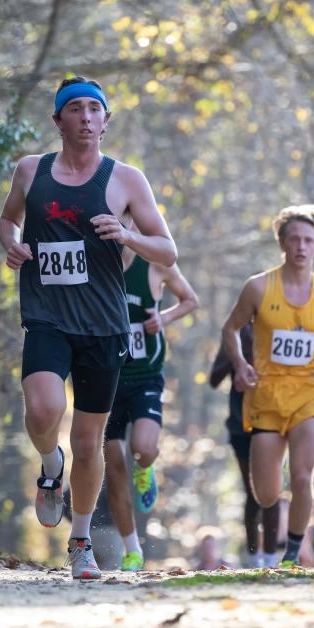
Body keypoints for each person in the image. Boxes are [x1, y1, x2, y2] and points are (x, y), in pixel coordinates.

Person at [0, 76, 176, 579]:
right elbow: (7, 220)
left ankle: (80, 543)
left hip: (104, 326)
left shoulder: (126, 180)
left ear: (105, 120)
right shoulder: (32, 171)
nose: (85, 117)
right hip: (47, 317)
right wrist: (11, 243)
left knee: (90, 441)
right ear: (58, 121)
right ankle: (50, 466)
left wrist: (127, 235)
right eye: (74, 109)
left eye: (94, 109)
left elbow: (168, 249)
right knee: (44, 408)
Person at [220, 204, 314, 566]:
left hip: (308, 393)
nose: (301, 246)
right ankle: (277, 528)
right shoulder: (259, 287)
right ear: (282, 242)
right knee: (265, 494)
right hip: (265, 394)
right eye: (294, 239)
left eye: (308, 240)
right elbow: (230, 328)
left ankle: (292, 553)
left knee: (301, 474)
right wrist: (241, 364)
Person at [103, 244, 198, 571]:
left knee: (144, 448)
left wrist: (163, 316)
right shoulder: (96, 263)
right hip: (105, 379)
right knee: (113, 472)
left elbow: (191, 300)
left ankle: (145, 469)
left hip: (145, 376)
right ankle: (132, 550)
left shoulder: (155, 265)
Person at [210, 323, 281, 568]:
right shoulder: (235, 335)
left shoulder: (278, 329)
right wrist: (236, 359)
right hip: (241, 424)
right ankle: (254, 556)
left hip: (274, 418)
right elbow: (214, 378)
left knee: (272, 490)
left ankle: (271, 558)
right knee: (252, 492)